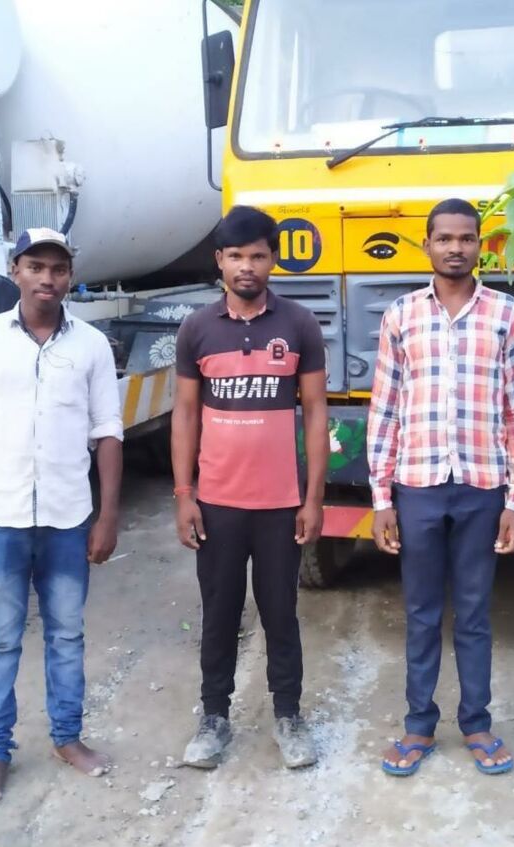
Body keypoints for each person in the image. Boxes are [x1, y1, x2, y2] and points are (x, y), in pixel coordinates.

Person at [0, 227, 124, 803]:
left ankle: (67, 738)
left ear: (70, 276)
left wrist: (108, 515)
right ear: (15, 270)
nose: (48, 278)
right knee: (0, 640)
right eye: (36, 266)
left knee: (67, 634)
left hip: (68, 519)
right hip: (1, 518)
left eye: (58, 268)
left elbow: (108, 432)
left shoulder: (91, 346)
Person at [367, 198, 514, 777]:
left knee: (474, 612)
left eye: (466, 238)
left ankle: (477, 723)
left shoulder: (506, 315)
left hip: (482, 486)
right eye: (445, 238)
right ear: (427, 245)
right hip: (417, 485)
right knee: (420, 612)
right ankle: (419, 725)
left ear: (479, 246)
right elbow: (385, 409)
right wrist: (381, 499)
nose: (455, 248)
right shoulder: (402, 315)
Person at [172, 206, 329, 769]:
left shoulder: (299, 325)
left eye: (258, 255)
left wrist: (313, 498)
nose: (246, 266)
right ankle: (214, 719)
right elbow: (185, 415)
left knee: (281, 613)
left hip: (280, 504)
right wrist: (184, 495)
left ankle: (288, 716)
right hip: (217, 503)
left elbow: (316, 413)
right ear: (219, 260)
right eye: (236, 255)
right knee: (219, 613)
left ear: (273, 260)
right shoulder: (197, 329)